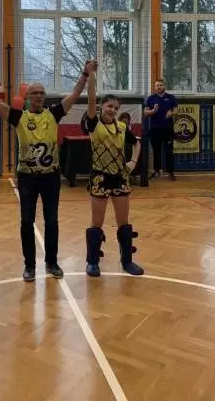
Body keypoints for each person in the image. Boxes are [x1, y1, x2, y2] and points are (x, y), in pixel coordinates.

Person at [0, 61, 98, 282]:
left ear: (44, 97)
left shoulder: (53, 114)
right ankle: (29, 265)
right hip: (27, 177)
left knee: (51, 220)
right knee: (27, 221)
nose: (38, 96)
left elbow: (75, 93)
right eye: (34, 93)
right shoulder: (19, 116)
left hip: (51, 177)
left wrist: (85, 73)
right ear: (27, 97)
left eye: (41, 93)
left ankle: (52, 262)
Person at [85, 70, 143, 278]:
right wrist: (91, 75)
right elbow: (91, 99)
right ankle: (93, 262)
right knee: (97, 222)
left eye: (116, 108)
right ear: (102, 106)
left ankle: (127, 261)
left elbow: (137, 143)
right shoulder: (94, 124)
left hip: (119, 177)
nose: (113, 110)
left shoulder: (122, 127)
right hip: (99, 178)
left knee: (123, 221)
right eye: (109, 106)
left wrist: (133, 162)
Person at [144, 79, 178, 180]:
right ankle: (156, 171)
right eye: (157, 85)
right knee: (156, 151)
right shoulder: (151, 98)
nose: (159, 87)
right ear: (155, 87)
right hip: (155, 130)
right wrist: (153, 111)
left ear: (164, 86)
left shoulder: (171, 98)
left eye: (161, 85)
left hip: (168, 129)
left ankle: (170, 172)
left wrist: (171, 113)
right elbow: (145, 112)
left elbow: (176, 111)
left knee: (169, 152)